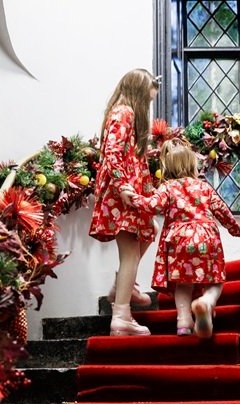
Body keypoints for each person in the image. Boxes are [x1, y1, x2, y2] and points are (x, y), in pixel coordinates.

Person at [121, 139, 240, 338]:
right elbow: (221, 209)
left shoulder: (167, 188)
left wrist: (132, 196)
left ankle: (184, 322)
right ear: (192, 164)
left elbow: (151, 205)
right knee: (214, 280)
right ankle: (208, 301)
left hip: (179, 240)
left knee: (183, 284)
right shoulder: (203, 187)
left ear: (166, 166)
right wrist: (234, 229)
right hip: (206, 237)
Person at [88, 69, 161, 336]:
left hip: (130, 194)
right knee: (130, 251)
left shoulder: (127, 115)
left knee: (150, 231)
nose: (148, 106)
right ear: (138, 93)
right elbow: (112, 154)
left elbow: (135, 161)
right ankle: (121, 317)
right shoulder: (124, 113)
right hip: (123, 196)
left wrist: (148, 194)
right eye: (148, 100)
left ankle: (123, 284)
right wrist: (123, 188)